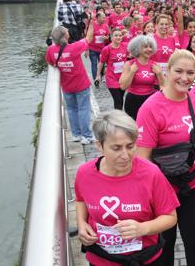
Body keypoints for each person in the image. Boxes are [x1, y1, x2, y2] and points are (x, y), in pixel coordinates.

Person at [75, 110, 179, 265]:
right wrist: (81, 224)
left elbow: (170, 218)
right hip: (102, 259)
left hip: (144, 259)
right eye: (116, 148)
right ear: (99, 146)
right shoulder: (85, 173)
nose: (125, 155)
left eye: (130, 146)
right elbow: (81, 199)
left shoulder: (151, 173)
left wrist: (142, 228)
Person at [136, 50, 195, 265]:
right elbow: (143, 159)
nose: (184, 78)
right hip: (164, 189)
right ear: (167, 71)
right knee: (165, 243)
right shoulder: (150, 108)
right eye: (178, 71)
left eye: (190, 72)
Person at [45, 24, 95, 144]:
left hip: (66, 85)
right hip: (81, 84)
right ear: (65, 36)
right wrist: (92, 23)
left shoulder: (51, 50)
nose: (68, 31)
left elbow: (50, 62)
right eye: (66, 31)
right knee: (83, 109)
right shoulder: (74, 47)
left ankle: (76, 135)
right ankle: (87, 136)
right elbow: (89, 38)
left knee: (72, 109)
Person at [119, 35, 164, 120]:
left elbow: (165, 86)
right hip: (133, 100)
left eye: (151, 47)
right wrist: (132, 72)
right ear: (137, 48)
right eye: (145, 47)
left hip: (150, 100)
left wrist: (159, 73)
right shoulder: (129, 64)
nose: (149, 49)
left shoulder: (155, 65)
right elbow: (123, 86)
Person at [97, 28, 128, 110]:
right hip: (112, 78)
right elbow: (101, 62)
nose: (118, 37)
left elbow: (131, 54)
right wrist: (98, 75)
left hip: (122, 78)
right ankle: (118, 120)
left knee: (121, 100)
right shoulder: (107, 49)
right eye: (116, 35)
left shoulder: (125, 46)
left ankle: (119, 117)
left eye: (120, 35)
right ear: (111, 37)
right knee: (117, 101)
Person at [89, 12, 110, 81]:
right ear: (98, 18)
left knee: (102, 64)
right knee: (94, 64)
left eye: (105, 17)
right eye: (103, 18)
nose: (105, 19)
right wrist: (86, 49)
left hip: (102, 49)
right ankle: (96, 80)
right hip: (92, 49)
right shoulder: (92, 25)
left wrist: (106, 38)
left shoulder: (105, 25)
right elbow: (88, 37)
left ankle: (101, 76)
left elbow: (108, 36)